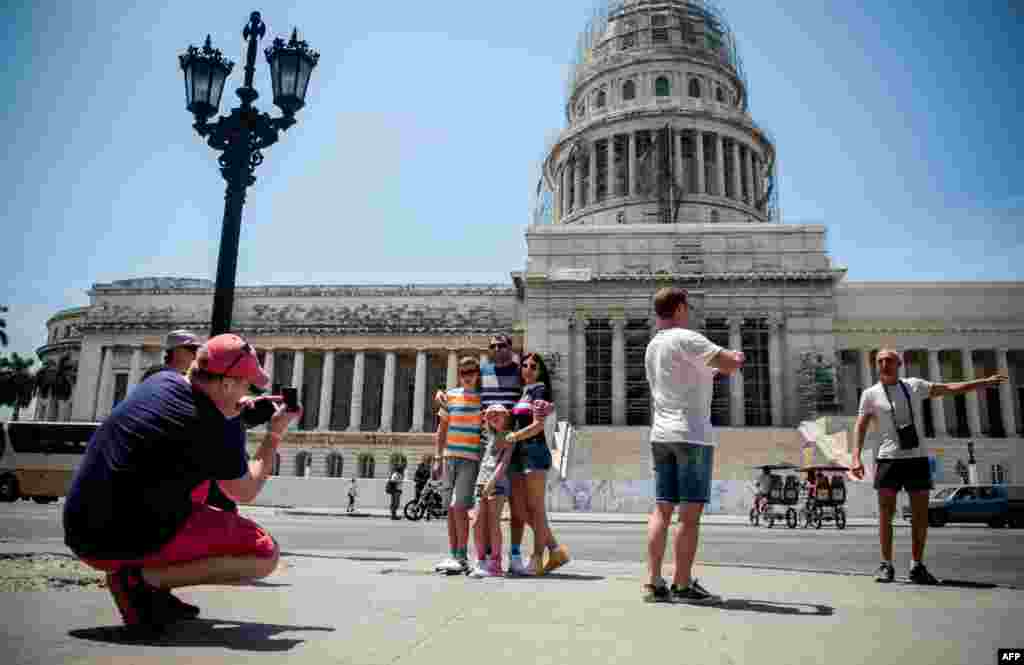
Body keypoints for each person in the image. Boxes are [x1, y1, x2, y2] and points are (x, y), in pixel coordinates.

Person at [63, 334, 300, 633]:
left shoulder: (160, 381)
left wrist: (227, 412)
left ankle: (152, 593)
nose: (247, 391)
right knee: (264, 553)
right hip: (112, 542)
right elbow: (245, 491)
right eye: (244, 384)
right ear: (226, 385)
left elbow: (186, 423)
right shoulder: (215, 430)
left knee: (196, 479)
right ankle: (140, 581)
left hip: (81, 528)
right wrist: (274, 434)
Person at [851, 348, 1007, 584]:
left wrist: (981, 383)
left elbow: (948, 388)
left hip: (916, 457)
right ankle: (886, 564)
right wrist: (855, 457)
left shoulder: (914, 385)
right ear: (875, 365)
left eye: (889, 360)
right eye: (880, 361)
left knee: (921, 515)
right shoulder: (870, 394)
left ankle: (917, 565)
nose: (884, 364)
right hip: (887, 458)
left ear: (899, 363)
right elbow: (860, 426)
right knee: (885, 515)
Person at [643, 287, 745, 603]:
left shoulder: (653, 346)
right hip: (692, 435)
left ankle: (653, 582)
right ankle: (683, 584)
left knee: (662, 510)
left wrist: (711, 371)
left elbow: (688, 376)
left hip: (661, 435)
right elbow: (729, 364)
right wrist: (737, 357)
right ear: (680, 308)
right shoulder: (687, 338)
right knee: (689, 516)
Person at [433, 334, 551, 576]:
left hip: (515, 443)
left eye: (503, 345)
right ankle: (484, 558)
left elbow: (533, 391)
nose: (498, 349)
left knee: (518, 507)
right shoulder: (483, 371)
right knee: (484, 509)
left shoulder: (520, 371)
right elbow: (466, 394)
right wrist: (442, 394)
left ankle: (516, 555)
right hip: (486, 446)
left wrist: (547, 405)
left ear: (511, 348)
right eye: (493, 346)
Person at [507, 351, 569, 576]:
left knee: (536, 509)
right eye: (525, 365)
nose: (528, 369)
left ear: (540, 370)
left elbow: (537, 426)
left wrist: (514, 436)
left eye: (533, 366)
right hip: (520, 453)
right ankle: (555, 550)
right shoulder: (524, 391)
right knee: (525, 510)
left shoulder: (539, 390)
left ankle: (536, 558)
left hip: (533, 450)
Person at [433, 357, 483, 574]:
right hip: (448, 457)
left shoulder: (483, 400)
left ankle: (462, 556)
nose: (468, 376)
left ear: (477, 373)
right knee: (450, 510)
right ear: (459, 374)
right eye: (464, 372)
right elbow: (442, 430)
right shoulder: (450, 396)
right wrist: (437, 457)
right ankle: (453, 553)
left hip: (469, 459)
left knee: (459, 507)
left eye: (472, 371)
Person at [468, 404, 514, 578]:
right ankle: (481, 560)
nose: (494, 417)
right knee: (478, 522)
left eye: (498, 414)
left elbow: (504, 463)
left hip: (497, 484)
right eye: (490, 414)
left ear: (506, 416)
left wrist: (491, 482)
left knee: (494, 523)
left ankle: (495, 563)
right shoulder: (489, 436)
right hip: (481, 484)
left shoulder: (509, 436)